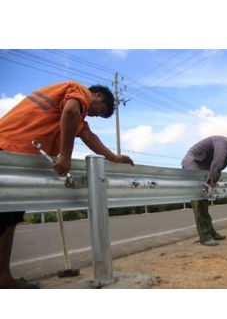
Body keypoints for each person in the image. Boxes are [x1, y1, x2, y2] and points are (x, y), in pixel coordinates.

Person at [0, 81, 134, 289]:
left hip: (16, 158)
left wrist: (114, 158)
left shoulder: (77, 110)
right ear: (97, 95)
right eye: (101, 110)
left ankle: (4, 278)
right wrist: (65, 155)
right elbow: (71, 112)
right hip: (6, 150)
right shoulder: (78, 90)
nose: (97, 114)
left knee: (9, 218)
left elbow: (88, 136)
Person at [182, 135, 227, 246]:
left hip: (201, 170)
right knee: (199, 202)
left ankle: (211, 232)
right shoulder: (223, 144)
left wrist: (212, 185)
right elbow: (216, 165)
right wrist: (211, 186)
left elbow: (218, 169)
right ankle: (205, 236)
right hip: (192, 166)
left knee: (204, 203)